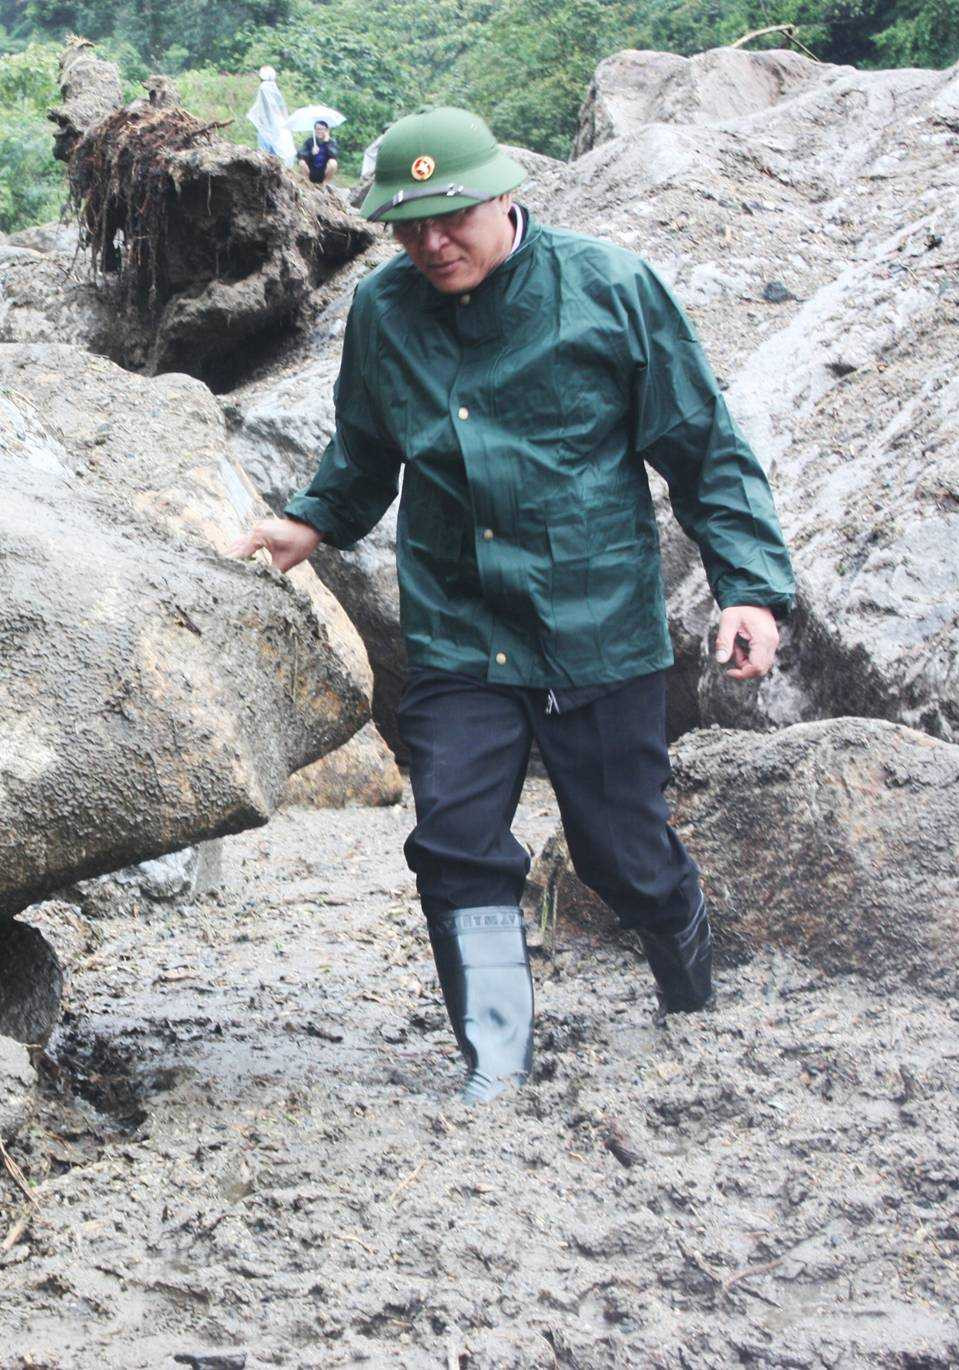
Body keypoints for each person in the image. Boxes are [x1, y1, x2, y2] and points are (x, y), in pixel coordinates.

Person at [228, 106, 795, 1103]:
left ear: (506, 195)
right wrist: (312, 521)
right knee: (453, 843)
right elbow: (365, 450)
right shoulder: (384, 311)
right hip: (458, 625)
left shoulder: (611, 291)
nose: (431, 243)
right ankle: (496, 1065)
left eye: (452, 218)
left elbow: (703, 452)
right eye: (408, 226)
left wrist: (748, 587)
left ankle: (688, 982)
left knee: (623, 853)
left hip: (599, 628)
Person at [300, 119, 340, 185]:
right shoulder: (309, 141)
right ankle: (306, 183)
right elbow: (300, 155)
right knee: (302, 162)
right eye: (317, 129)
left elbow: (335, 155)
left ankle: (325, 184)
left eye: (322, 129)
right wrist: (311, 153)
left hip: (324, 171)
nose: (319, 131)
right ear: (314, 130)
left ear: (327, 130)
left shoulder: (331, 142)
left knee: (333, 163)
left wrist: (327, 143)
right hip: (311, 170)